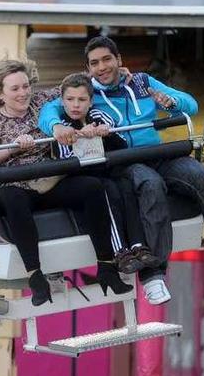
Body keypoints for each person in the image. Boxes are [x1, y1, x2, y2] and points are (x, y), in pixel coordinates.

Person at [39, 36, 204, 285]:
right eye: (95, 63)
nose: (102, 67)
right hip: (126, 161)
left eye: (107, 59)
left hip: (156, 154)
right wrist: (55, 126)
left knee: (202, 176)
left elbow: (190, 105)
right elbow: (49, 110)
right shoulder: (88, 93)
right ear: (88, 69)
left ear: (119, 60)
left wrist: (171, 104)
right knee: (151, 185)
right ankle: (154, 274)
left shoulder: (141, 82)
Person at [0, 59, 132, 306]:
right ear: (0, 93)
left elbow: (76, 85)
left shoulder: (41, 102)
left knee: (92, 187)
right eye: (15, 89)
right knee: (12, 199)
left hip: (51, 179)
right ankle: (35, 276)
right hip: (16, 184)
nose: (23, 93)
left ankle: (106, 265)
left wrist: (114, 72)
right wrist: (12, 149)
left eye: (26, 86)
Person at [51, 73, 172, 304]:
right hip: (84, 179)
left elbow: (120, 143)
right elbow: (67, 159)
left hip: (107, 171)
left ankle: (138, 244)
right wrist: (78, 137)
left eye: (82, 100)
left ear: (90, 101)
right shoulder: (61, 127)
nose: (76, 105)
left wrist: (104, 133)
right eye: (70, 100)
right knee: (105, 189)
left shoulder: (98, 116)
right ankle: (120, 251)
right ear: (62, 101)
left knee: (124, 186)